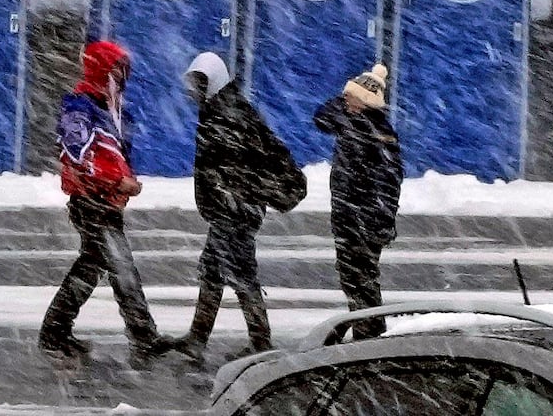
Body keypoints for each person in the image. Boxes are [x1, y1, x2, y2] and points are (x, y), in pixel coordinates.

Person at [40, 35, 165, 362]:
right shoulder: (80, 107)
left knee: (90, 267)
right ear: (102, 70)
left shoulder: (114, 110)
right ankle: (144, 338)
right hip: (91, 201)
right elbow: (77, 156)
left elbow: (118, 153)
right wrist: (117, 181)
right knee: (122, 269)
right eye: (116, 69)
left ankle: (54, 332)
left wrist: (124, 182)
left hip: (107, 202)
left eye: (124, 70)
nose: (122, 77)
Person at [185, 48, 305, 357]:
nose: (194, 91)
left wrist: (230, 193)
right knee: (212, 271)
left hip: (235, 211)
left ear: (212, 83)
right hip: (229, 209)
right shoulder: (222, 109)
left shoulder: (229, 116)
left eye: (200, 83)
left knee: (242, 275)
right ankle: (197, 339)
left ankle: (261, 343)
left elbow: (242, 164)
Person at [313, 63, 405, 308]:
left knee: (362, 282)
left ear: (365, 101)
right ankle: (366, 331)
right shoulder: (352, 123)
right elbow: (321, 118)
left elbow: (389, 182)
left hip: (363, 220)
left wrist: (380, 222)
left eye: (350, 96)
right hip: (348, 217)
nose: (345, 100)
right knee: (352, 280)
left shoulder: (377, 132)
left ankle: (370, 333)